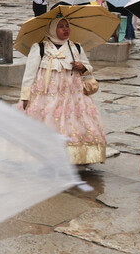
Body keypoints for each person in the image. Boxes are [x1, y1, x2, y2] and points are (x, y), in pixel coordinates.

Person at [19, 18, 106, 165]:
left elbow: (88, 68)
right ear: (52, 30)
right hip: (46, 95)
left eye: (67, 26)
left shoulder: (75, 47)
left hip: (73, 96)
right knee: (47, 122)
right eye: (61, 27)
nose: (66, 29)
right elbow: (29, 74)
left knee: (74, 123)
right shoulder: (40, 48)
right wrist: (25, 96)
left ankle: (74, 157)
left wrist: (82, 67)